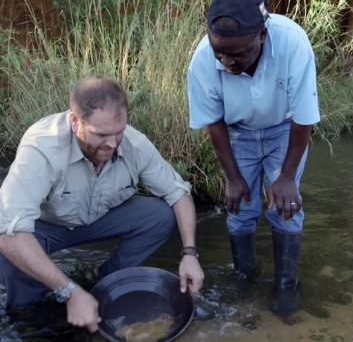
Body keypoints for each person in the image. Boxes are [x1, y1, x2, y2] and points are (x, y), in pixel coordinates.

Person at [0, 76, 204, 332]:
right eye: (101, 134)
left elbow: (179, 194)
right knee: (11, 248)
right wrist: (69, 291)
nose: (112, 143)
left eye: (118, 132)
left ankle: (105, 282)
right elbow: (10, 235)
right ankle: (32, 317)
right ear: (76, 122)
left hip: (98, 219)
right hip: (45, 229)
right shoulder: (42, 147)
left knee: (160, 215)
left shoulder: (134, 143)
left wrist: (189, 253)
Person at [187, 0, 320, 316]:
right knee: (240, 207)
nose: (227, 62)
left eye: (237, 54)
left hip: (285, 130)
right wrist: (232, 177)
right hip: (238, 133)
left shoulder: (293, 43)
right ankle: (245, 277)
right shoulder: (203, 60)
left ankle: (286, 286)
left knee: (285, 206)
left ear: (262, 34)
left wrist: (287, 176)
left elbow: (304, 118)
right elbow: (214, 122)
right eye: (221, 53)